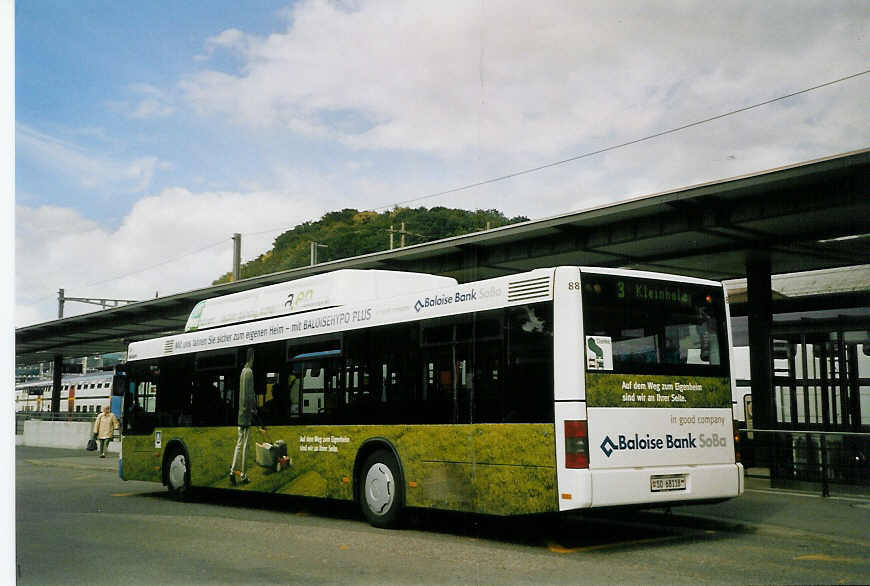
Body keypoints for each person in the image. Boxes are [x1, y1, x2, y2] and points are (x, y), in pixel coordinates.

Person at [229, 348, 257, 485]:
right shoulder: (250, 372)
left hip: (240, 413)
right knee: (245, 446)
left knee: (238, 445)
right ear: (251, 357)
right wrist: (253, 409)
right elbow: (250, 394)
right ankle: (244, 475)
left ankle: (232, 470)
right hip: (246, 415)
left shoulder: (242, 372)